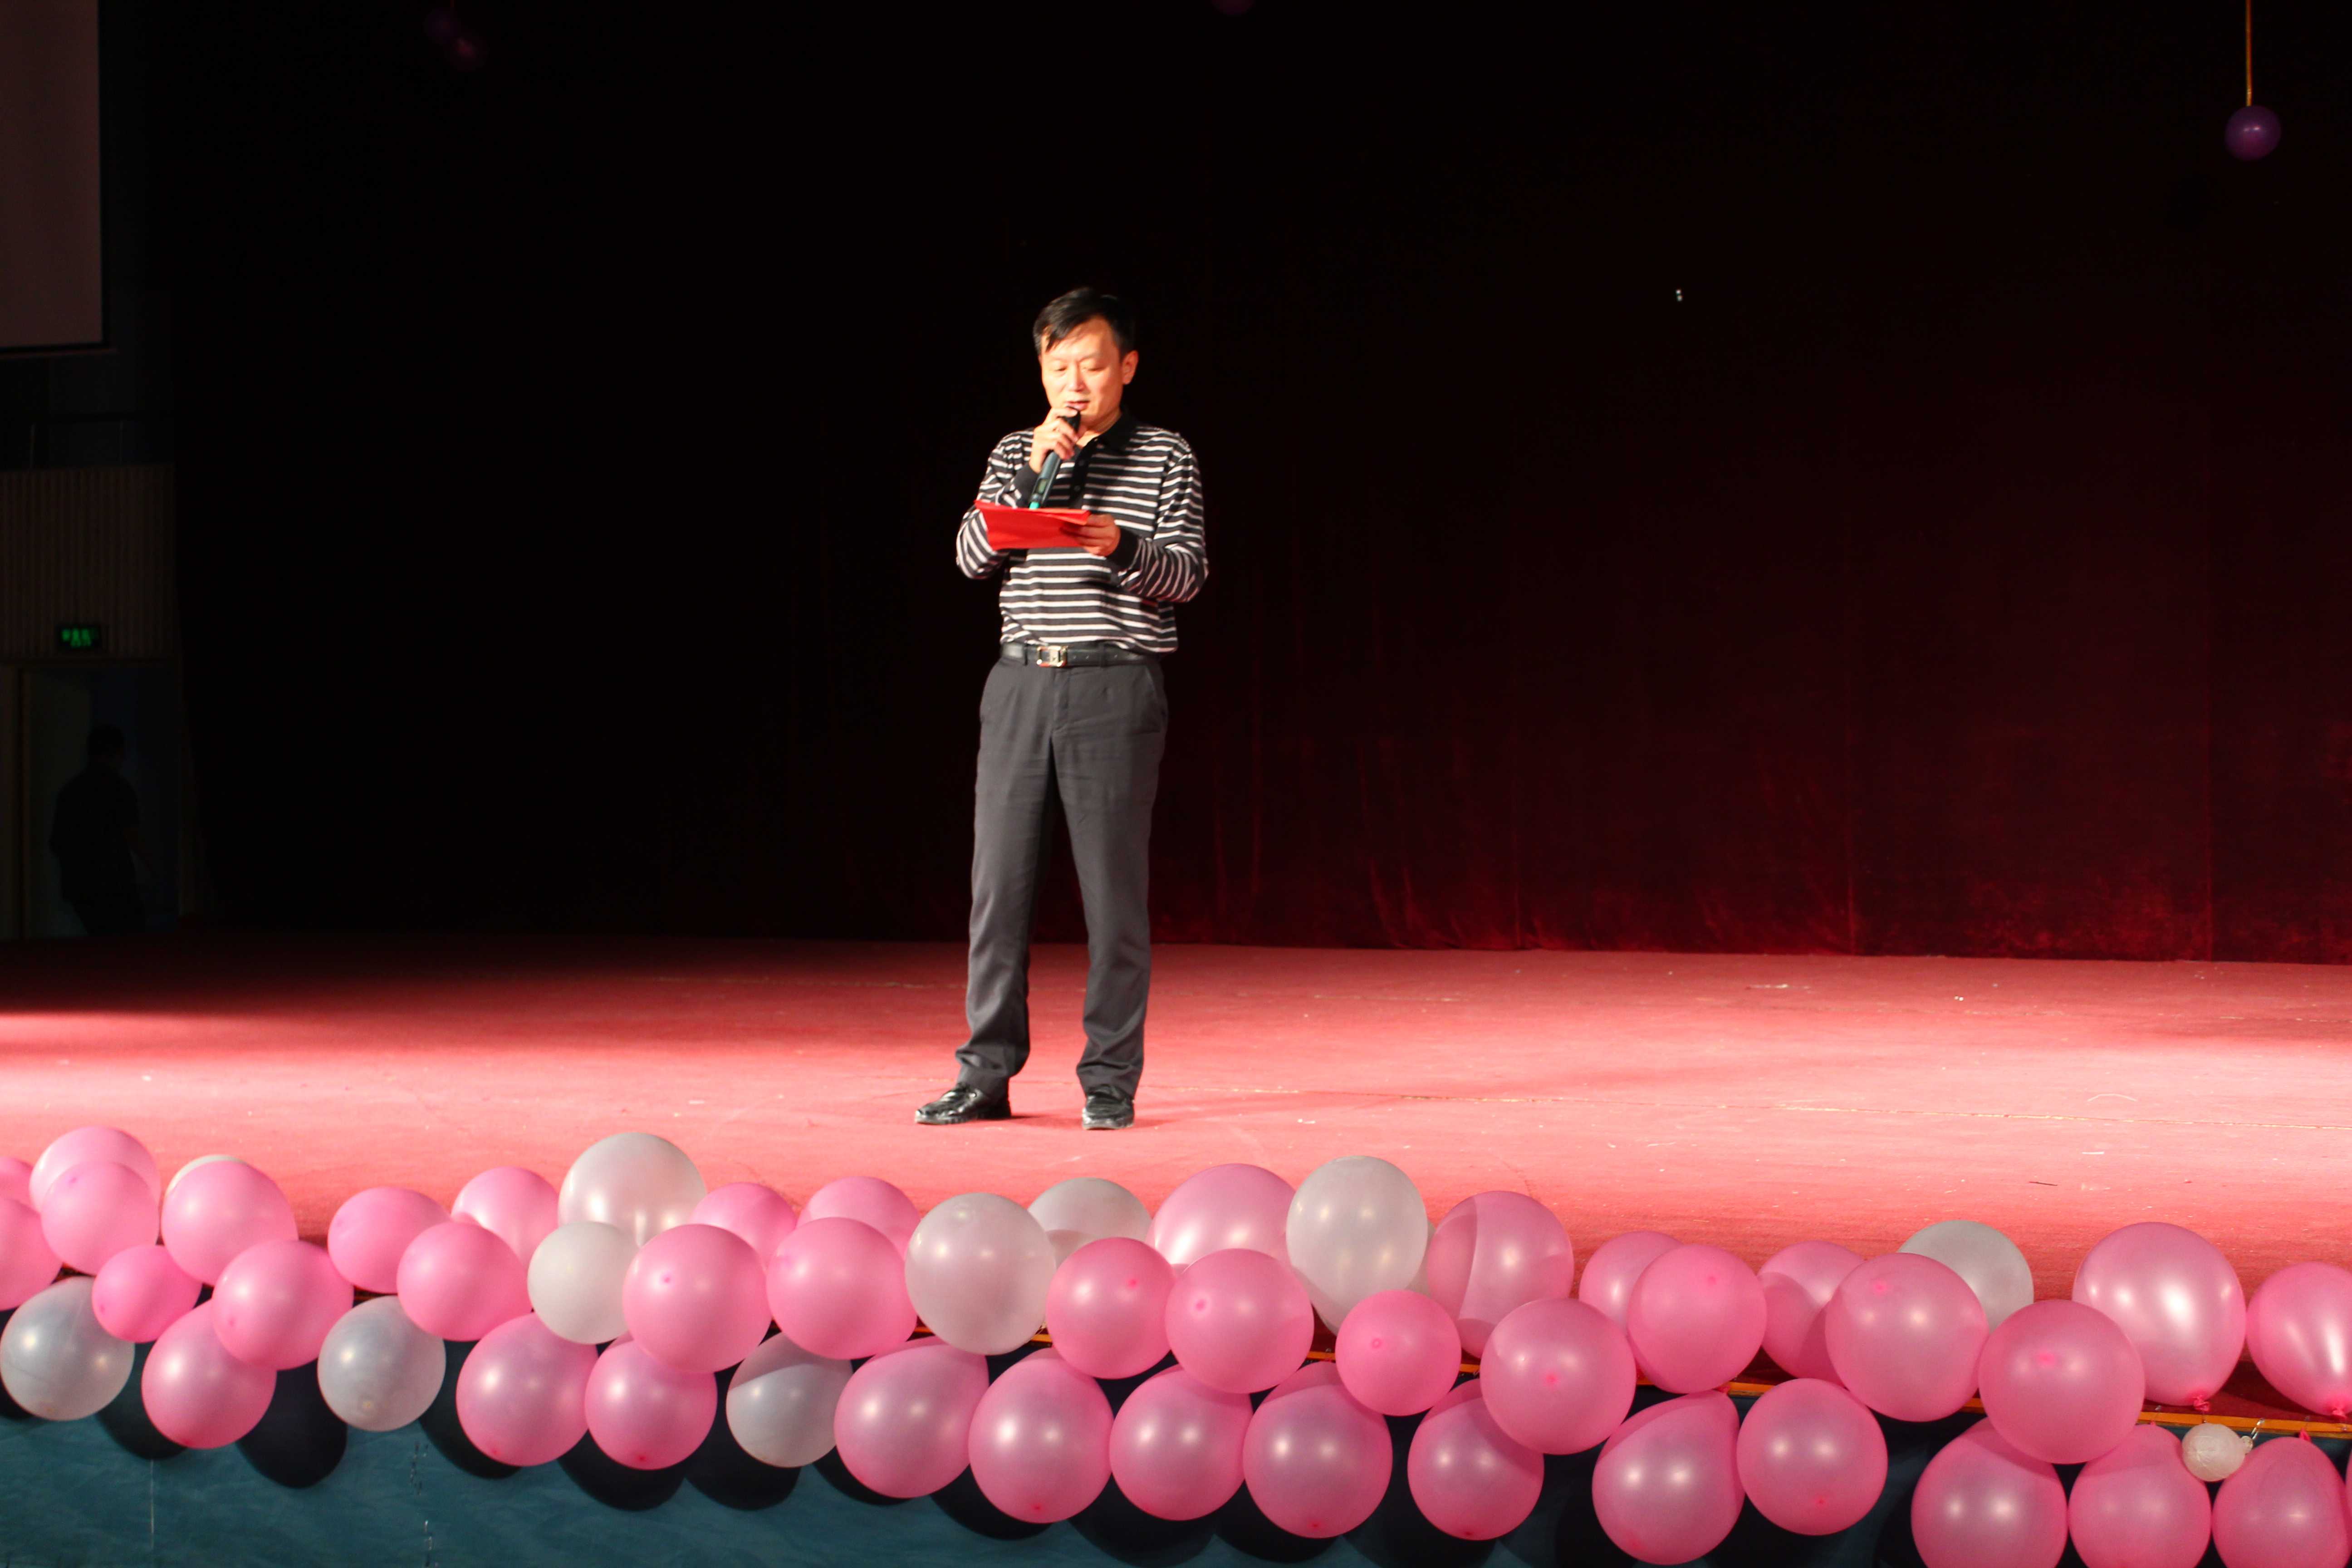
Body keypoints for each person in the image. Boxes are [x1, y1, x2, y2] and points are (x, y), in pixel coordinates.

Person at [918, 288, 1209, 1131]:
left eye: (1091, 364)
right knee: (997, 892)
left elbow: (1187, 576)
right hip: (1019, 683)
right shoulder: (1018, 448)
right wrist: (1024, 478)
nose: (1074, 383)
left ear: (1127, 367)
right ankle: (984, 1074)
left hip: (1112, 685)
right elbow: (969, 556)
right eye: (1058, 367)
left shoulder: (1164, 454)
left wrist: (1120, 545)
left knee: (1112, 899)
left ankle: (1109, 1081)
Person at [50, 725, 147, 936]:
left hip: (81, 886)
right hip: (115, 884)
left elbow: (57, 843)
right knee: (131, 939)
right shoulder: (119, 789)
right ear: (117, 753)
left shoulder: (70, 792)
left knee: (100, 938)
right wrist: (154, 868)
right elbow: (133, 836)